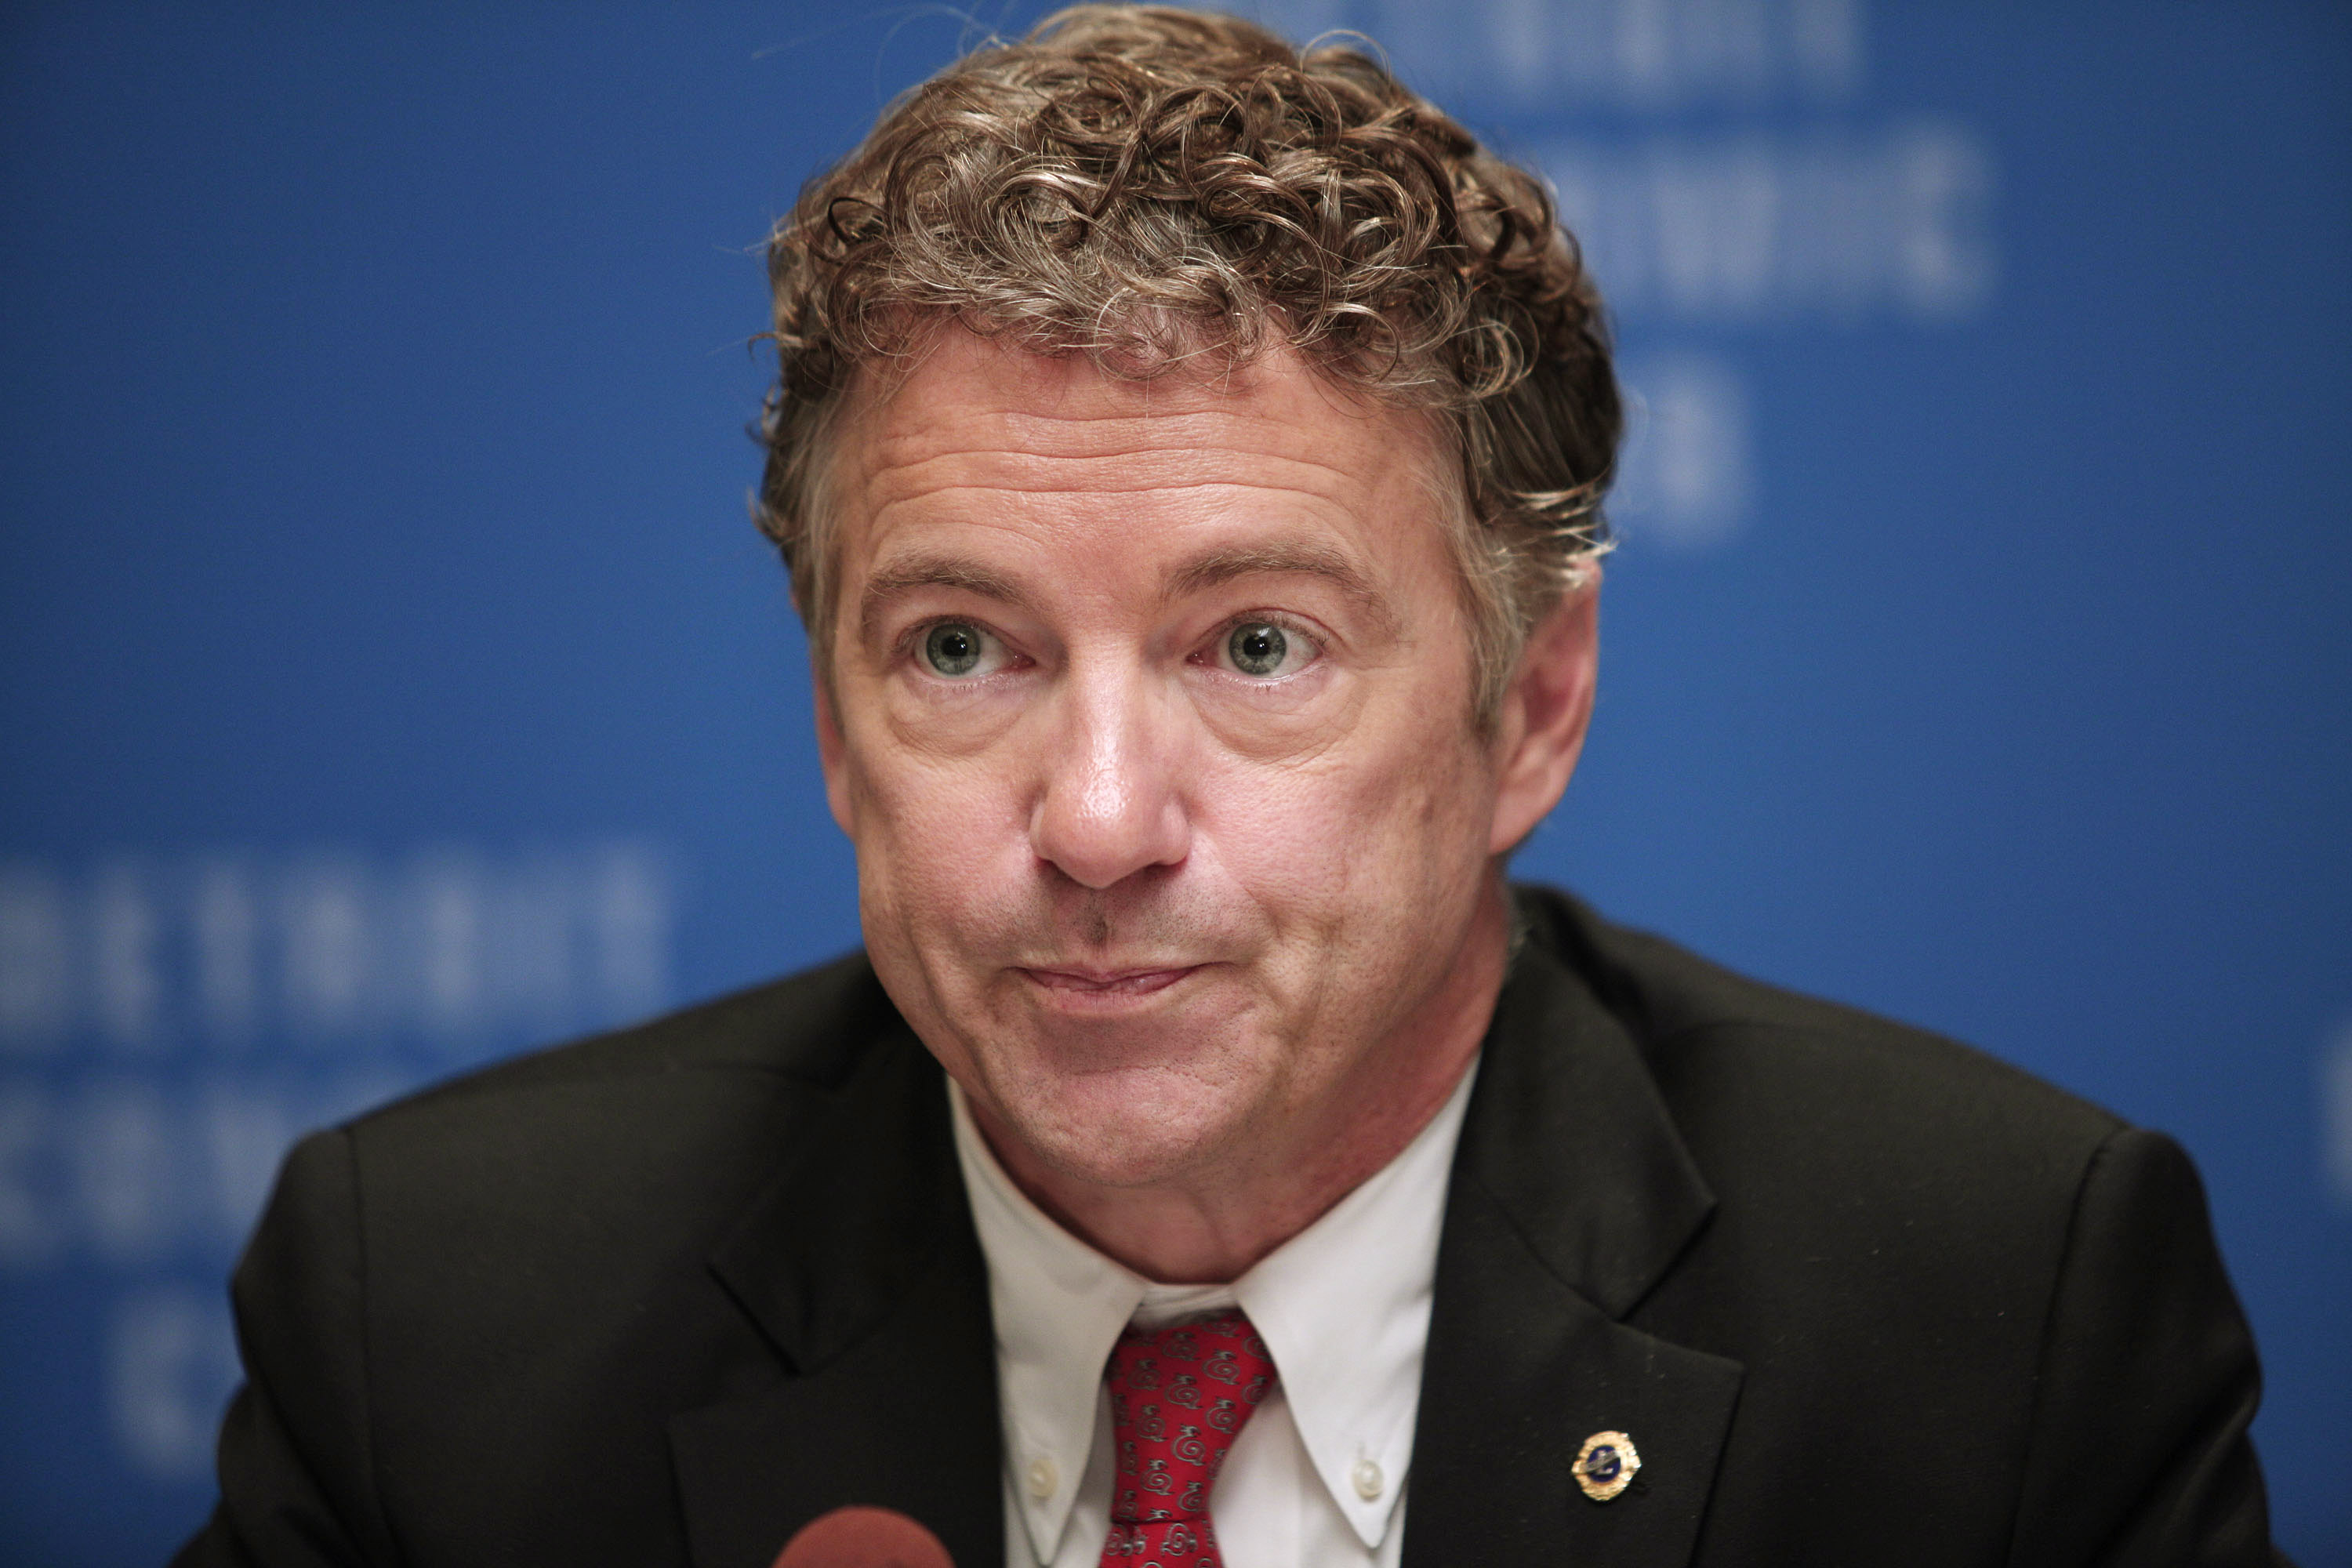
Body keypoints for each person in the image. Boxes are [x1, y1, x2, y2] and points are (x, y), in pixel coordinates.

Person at [175, 8, 2285, 1566]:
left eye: (1255, 645)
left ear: (1531, 709)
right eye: (961, 649)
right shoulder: (440, 1327)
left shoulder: (1998, 1323)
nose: (1096, 822)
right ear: (831, 718)